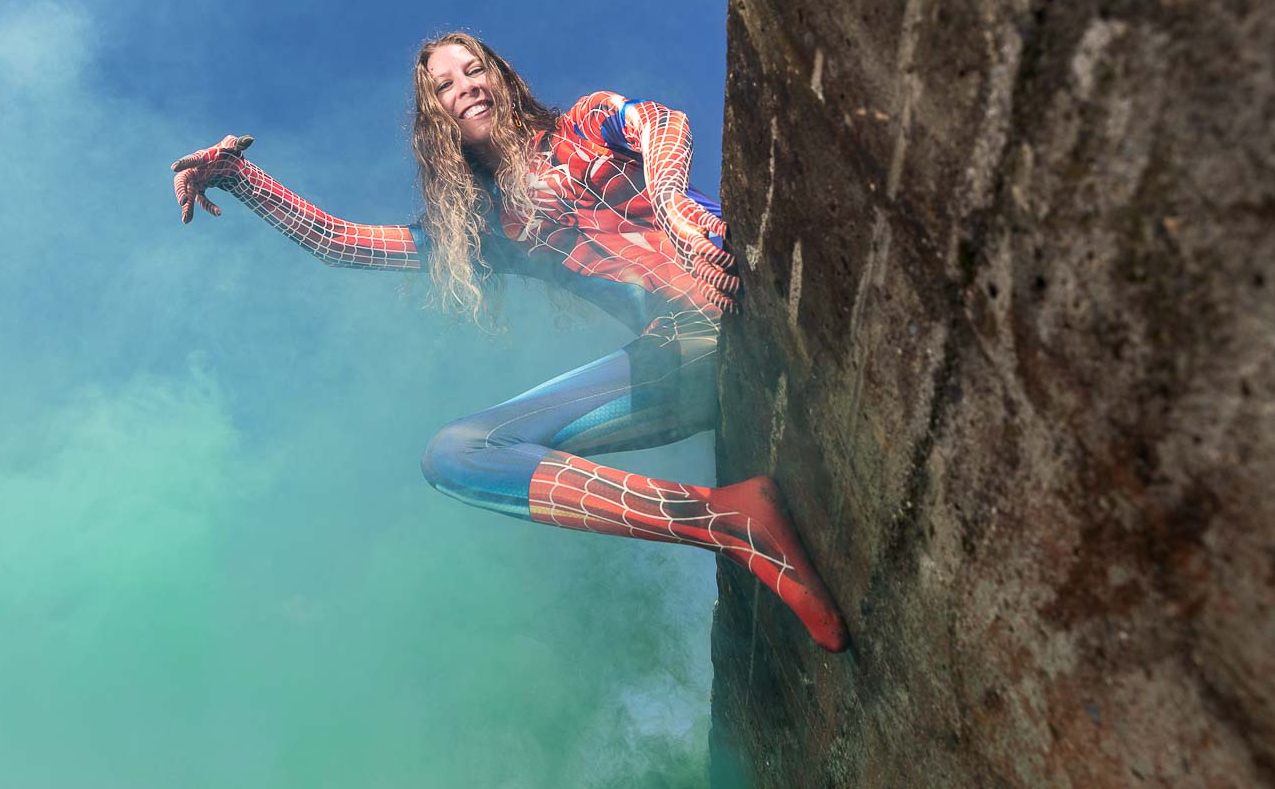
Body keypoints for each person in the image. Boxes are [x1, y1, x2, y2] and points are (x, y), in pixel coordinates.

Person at [170, 32, 849, 651]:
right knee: (457, 454)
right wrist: (239, 178)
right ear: (433, 117)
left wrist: (673, 208)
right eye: (443, 85)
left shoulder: (583, 125)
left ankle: (739, 514)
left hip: (731, 285)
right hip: (681, 361)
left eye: (474, 69)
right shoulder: (488, 229)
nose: (463, 84)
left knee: (697, 262)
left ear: (501, 77)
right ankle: (727, 522)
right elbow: (343, 244)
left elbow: (659, 122)